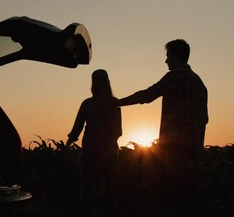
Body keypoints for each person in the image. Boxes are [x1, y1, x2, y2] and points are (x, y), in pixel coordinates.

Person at [116, 39, 208, 216]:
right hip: (195, 147)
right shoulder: (200, 83)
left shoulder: (176, 76)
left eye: (168, 56)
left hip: (176, 146)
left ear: (178, 55)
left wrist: (119, 103)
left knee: (172, 194)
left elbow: (149, 94)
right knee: (191, 195)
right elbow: (205, 118)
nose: (166, 61)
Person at [66, 69, 122, 217]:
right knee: (87, 184)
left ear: (106, 82)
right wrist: (69, 141)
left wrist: (108, 143)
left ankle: (108, 212)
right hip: (91, 149)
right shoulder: (87, 103)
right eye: (96, 79)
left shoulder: (114, 103)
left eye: (101, 79)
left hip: (108, 150)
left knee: (108, 185)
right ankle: (84, 211)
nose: (98, 82)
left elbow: (118, 129)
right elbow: (77, 126)